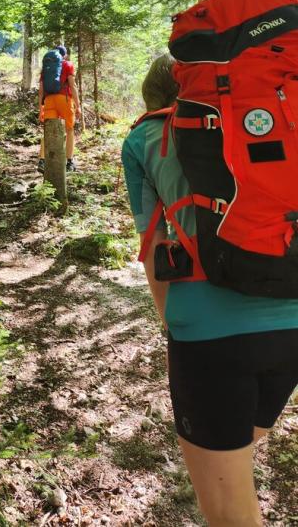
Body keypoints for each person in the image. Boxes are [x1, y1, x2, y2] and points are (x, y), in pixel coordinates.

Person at [121, 54, 298, 527]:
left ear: (155, 97)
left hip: (209, 333)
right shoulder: (275, 121)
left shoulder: (144, 138)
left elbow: (153, 241)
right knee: (244, 442)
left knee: (229, 513)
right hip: (294, 316)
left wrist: (171, 323)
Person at [38, 45, 81, 173]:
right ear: (65, 55)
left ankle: (42, 161)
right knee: (69, 130)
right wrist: (78, 106)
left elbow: (41, 90)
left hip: (49, 100)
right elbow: (72, 86)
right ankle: (69, 162)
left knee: (48, 130)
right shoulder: (68, 65)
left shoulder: (46, 68)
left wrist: (41, 108)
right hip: (65, 99)